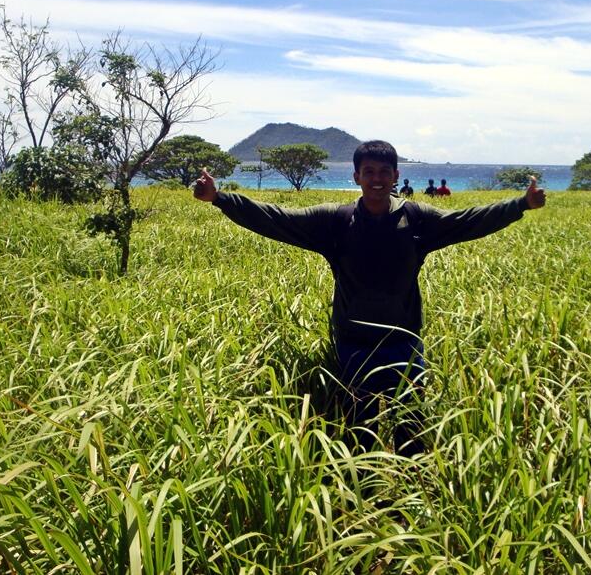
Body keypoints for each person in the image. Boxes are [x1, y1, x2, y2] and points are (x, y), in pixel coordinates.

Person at [193, 140, 545, 456]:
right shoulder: (336, 220)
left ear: (396, 175)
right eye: (368, 172)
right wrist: (222, 199)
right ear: (356, 176)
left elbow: (469, 220)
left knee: (413, 429)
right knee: (359, 431)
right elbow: (277, 218)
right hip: (354, 344)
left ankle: (412, 500)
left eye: (384, 172)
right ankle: (363, 501)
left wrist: (520, 205)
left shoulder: (416, 218)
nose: (376, 179)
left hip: (404, 343)